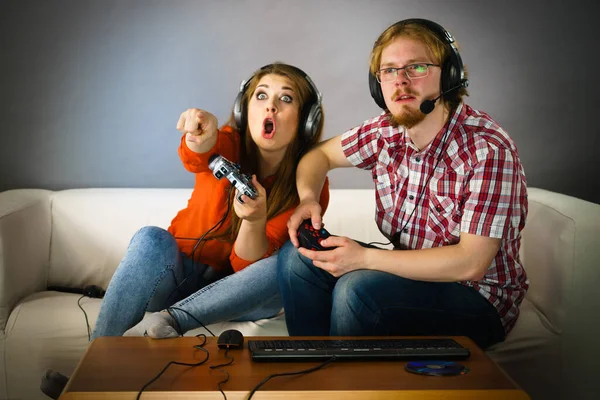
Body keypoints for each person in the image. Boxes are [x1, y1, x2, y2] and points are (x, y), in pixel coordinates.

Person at [40, 62, 329, 399]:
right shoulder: (229, 143)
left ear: (306, 119)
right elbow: (198, 153)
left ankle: (172, 320)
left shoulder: (309, 187)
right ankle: (89, 375)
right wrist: (200, 137)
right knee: (151, 237)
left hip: (241, 295)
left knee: (289, 260)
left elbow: (246, 271)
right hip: (182, 273)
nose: (271, 106)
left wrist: (254, 221)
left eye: (287, 99)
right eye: (261, 96)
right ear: (243, 109)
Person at [278, 18, 528, 350]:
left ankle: (341, 386)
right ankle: (312, 373)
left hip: (477, 298)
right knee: (298, 259)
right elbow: (318, 156)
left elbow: (471, 261)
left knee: (357, 289)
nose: (401, 81)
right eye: (390, 71)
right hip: (407, 272)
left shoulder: (487, 150)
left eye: (417, 67)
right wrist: (309, 198)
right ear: (376, 83)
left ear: (450, 75)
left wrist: (364, 260)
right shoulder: (387, 130)